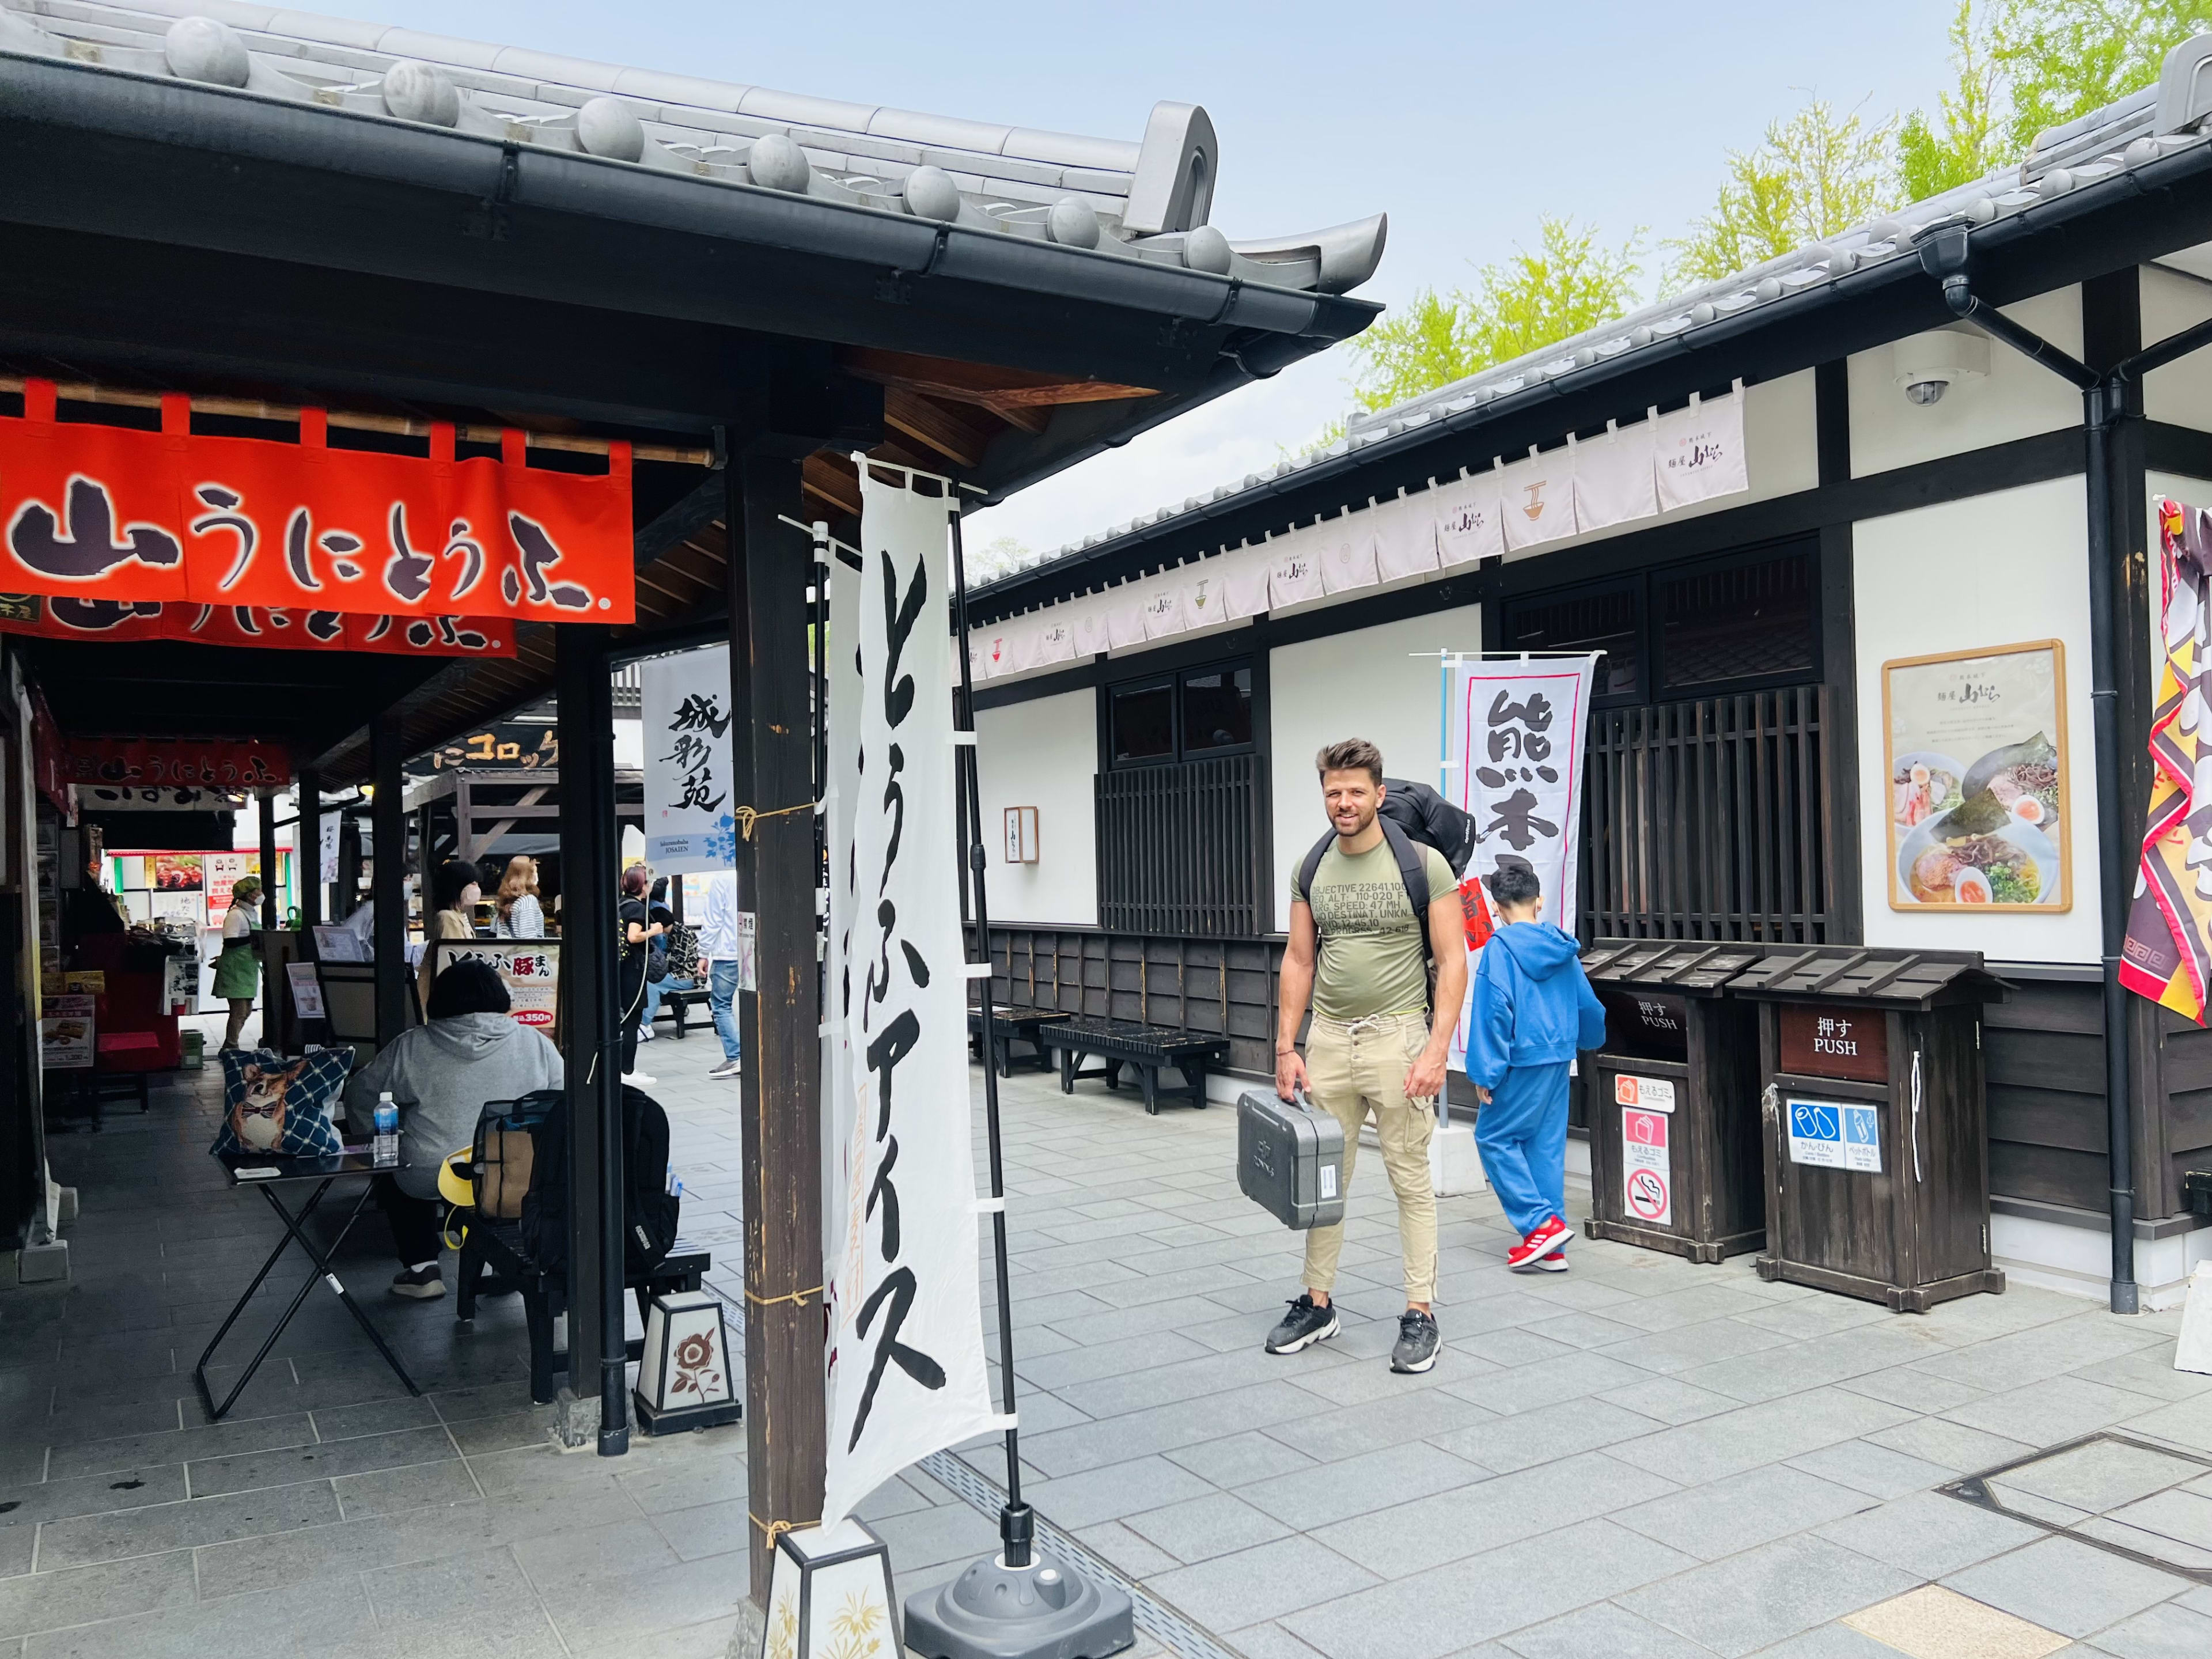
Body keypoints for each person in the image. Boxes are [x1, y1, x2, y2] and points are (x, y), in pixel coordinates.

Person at [1268, 738, 1469, 1375]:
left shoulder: (1423, 864)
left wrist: (1438, 1049)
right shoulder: (1311, 865)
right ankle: (1318, 1301)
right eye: (1334, 792)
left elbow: (1454, 960)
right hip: (1328, 1040)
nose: (1344, 803)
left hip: (1399, 1037)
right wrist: (1286, 1047)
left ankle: (1420, 1312)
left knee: (1410, 1179)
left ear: (1380, 795)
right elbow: (1299, 960)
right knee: (1325, 1181)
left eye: (1356, 791)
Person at [344, 958, 564, 1299]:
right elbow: (559, 1101)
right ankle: (502, 1263)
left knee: (398, 1165)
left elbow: (361, 1093)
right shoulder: (535, 1043)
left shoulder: (411, 1045)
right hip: (509, 1174)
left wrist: (380, 1136)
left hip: (429, 1172)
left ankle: (422, 1271)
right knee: (504, 1171)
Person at [1465, 863, 1608, 1273]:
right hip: (1558, 1059)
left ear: (1496, 907)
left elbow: (1492, 1014)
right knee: (1545, 1149)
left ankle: (1540, 1224)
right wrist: (1587, 1041)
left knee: (1492, 1137)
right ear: (1539, 901)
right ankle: (1551, 1248)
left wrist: (1484, 1074)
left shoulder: (1500, 948)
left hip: (1520, 1061)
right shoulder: (1562, 947)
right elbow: (1588, 1006)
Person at [417, 859, 481, 1017]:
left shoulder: (455, 916)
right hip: (447, 999)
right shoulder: (447, 917)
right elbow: (454, 960)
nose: (477, 888)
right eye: (473, 883)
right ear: (458, 886)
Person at [619, 863, 663, 1086]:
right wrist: (654, 931)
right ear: (642, 886)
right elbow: (633, 937)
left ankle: (625, 1068)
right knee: (632, 1020)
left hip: (623, 969)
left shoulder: (621, 904)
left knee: (626, 1018)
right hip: (633, 970)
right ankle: (627, 1070)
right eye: (649, 881)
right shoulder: (636, 909)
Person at [637, 876, 694, 1044]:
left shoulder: (681, 934)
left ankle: (645, 1024)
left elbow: (680, 961)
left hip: (686, 977)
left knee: (653, 984)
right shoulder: (673, 933)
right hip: (679, 975)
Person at [696, 867, 742, 1080]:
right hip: (754, 950)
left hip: (727, 953)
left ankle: (736, 1056)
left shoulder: (722, 880)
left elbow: (714, 919)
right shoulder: (757, 869)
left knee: (721, 1004)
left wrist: (703, 953)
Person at [212, 874, 263, 1050]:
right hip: (235, 971)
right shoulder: (236, 915)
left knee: (246, 1011)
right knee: (239, 1012)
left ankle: (229, 1045)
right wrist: (255, 939)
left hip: (246, 970)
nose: (262, 894)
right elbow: (231, 941)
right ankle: (231, 1047)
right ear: (250, 895)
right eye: (259, 891)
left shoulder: (250, 913)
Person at [490, 855, 544, 940]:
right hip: (525, 952)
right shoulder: (527, 901)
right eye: (534, 871)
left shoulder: (507, 902)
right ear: (528, 875)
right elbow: (529, 939)